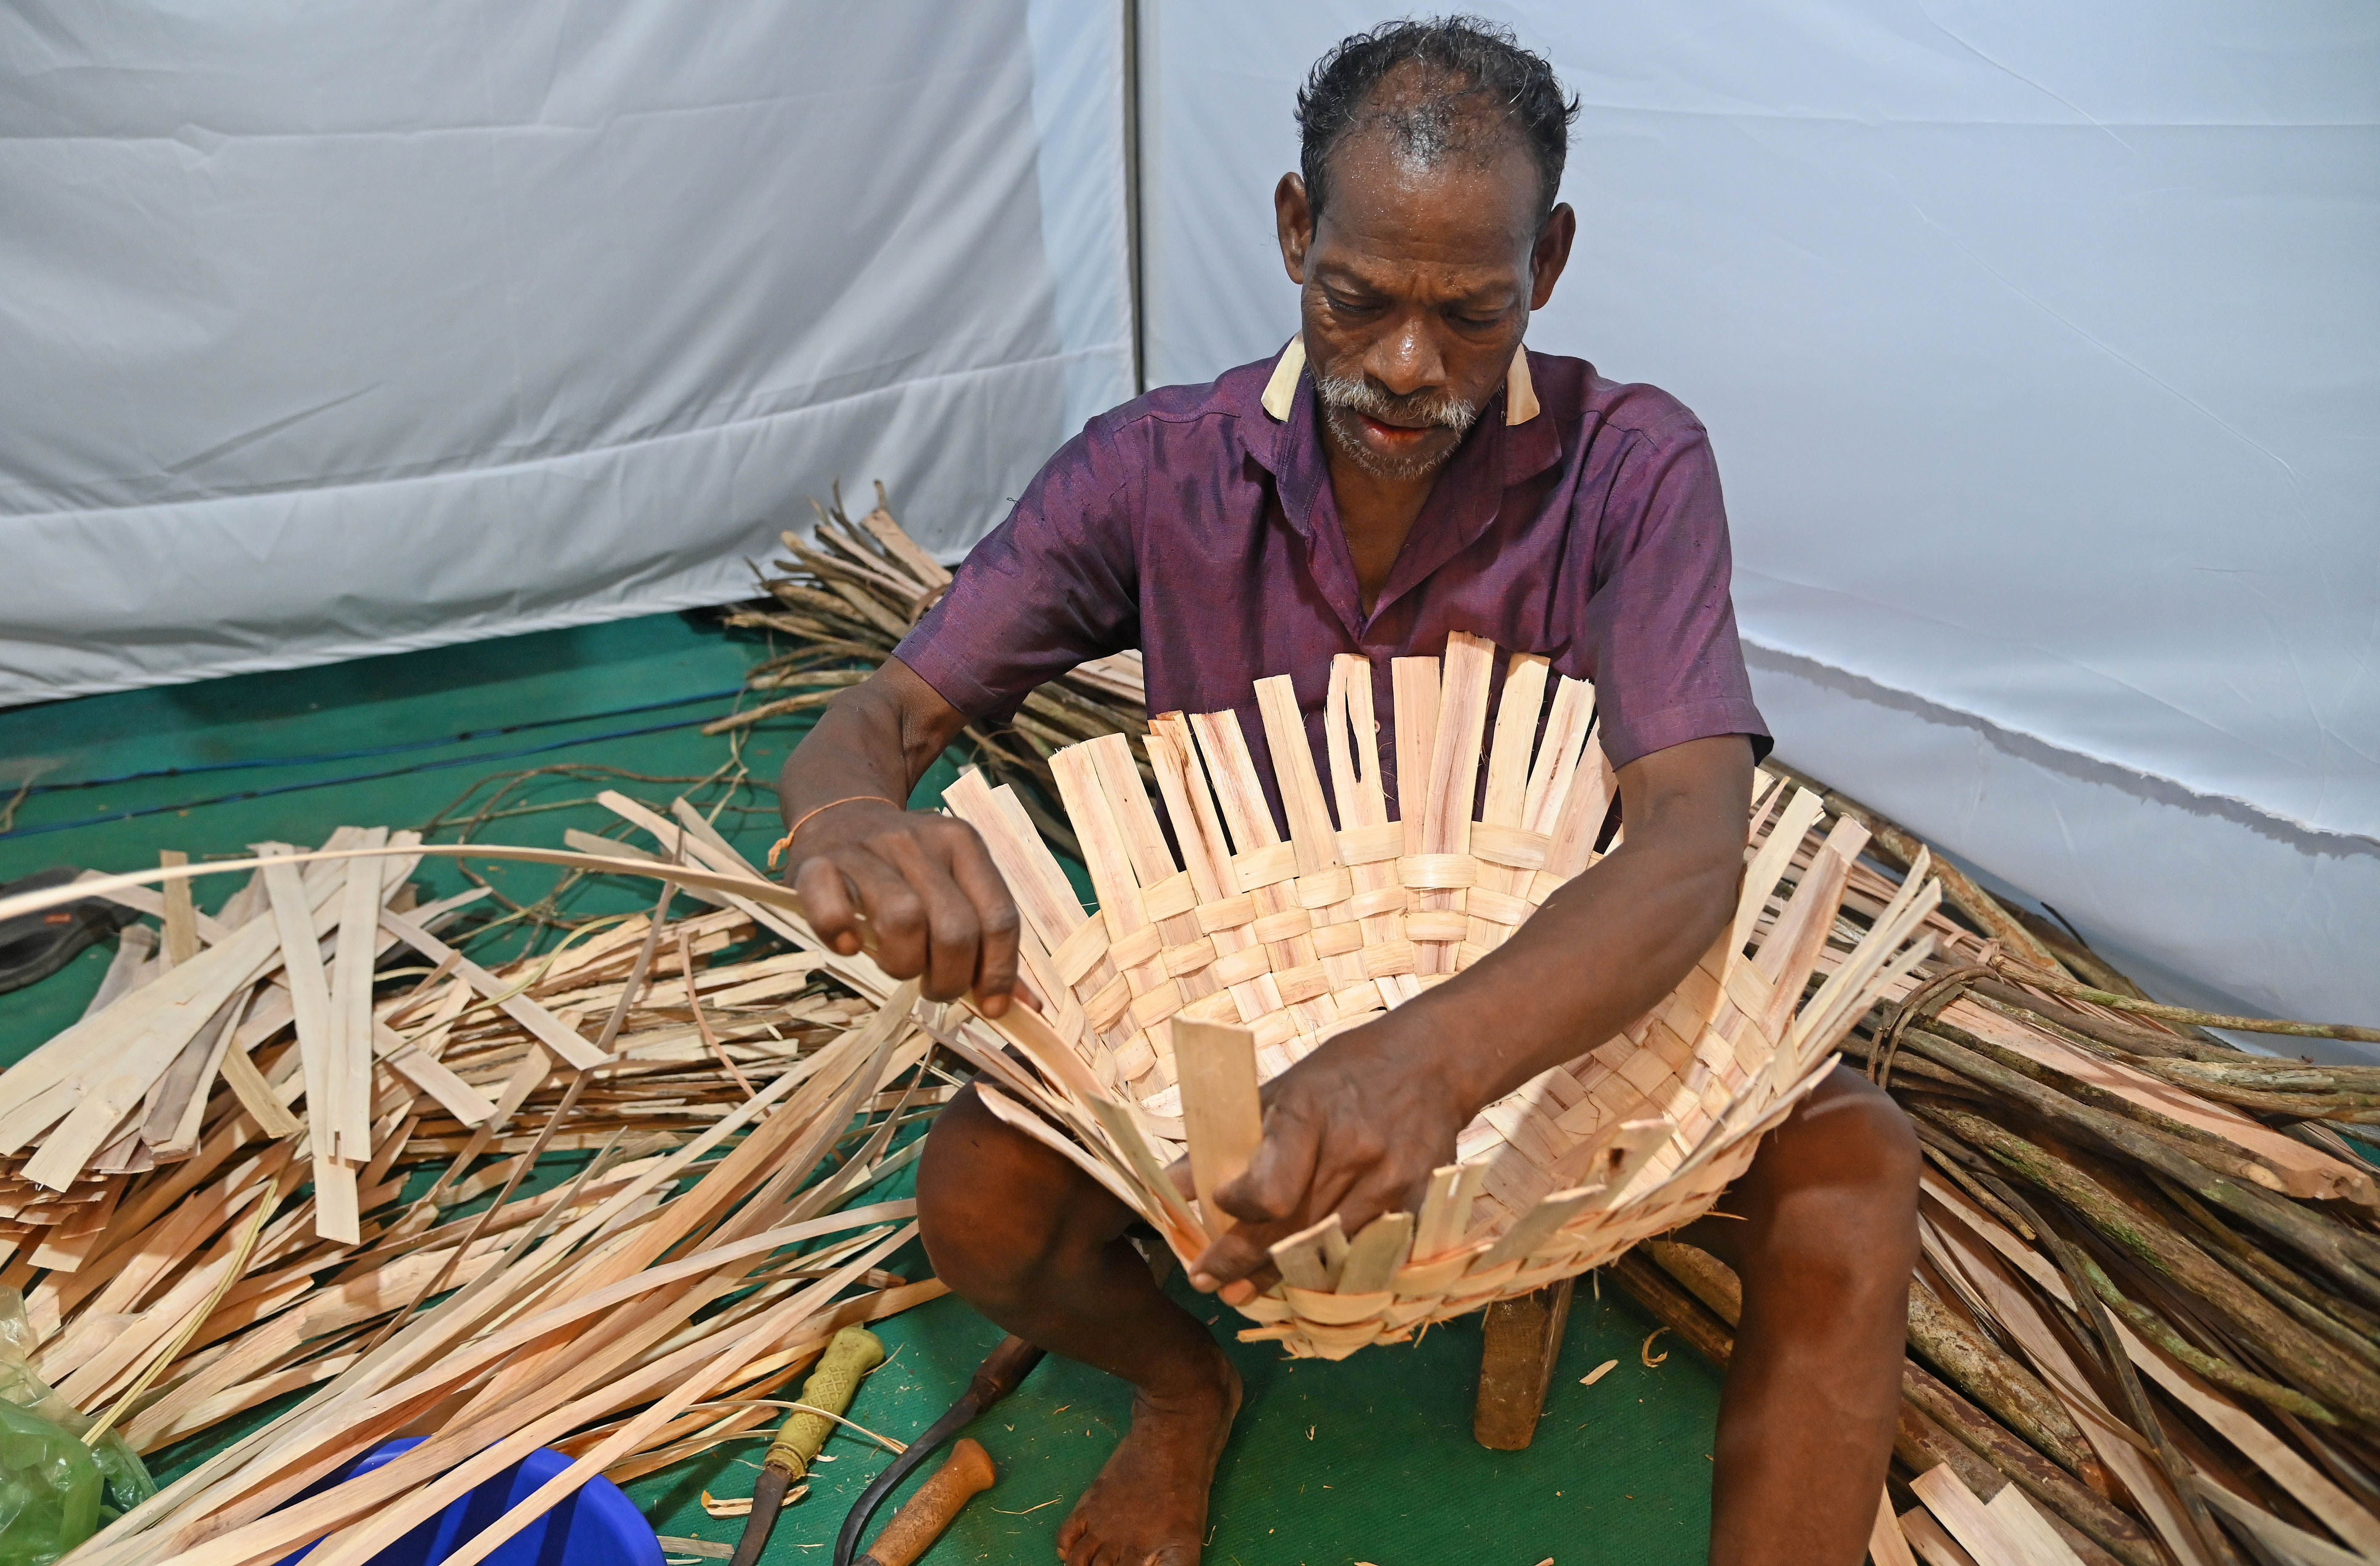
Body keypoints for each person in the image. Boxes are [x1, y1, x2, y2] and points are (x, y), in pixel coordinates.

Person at [774, 17, 1919, 1565]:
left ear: (1551, 264)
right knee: (979, 1201)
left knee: (1853, 1160)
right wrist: (846, 813)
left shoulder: (1629, 466)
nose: (1403, 365)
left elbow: (1688, 848)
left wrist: (1433, 1063)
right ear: (1294, 231)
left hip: (1544, 1009)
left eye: (1470, 314)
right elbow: (891, 708)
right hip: (1246, 996)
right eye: (1358, 299)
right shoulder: (1151, 471)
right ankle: (1183, 1390)